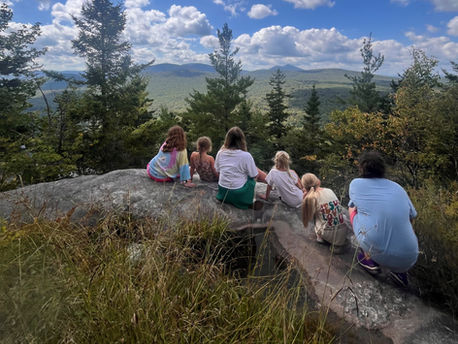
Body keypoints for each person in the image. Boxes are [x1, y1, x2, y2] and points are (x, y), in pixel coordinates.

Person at [348, 151, 418, 287]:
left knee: (352, 209)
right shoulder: (398, 188)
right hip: (409, 257)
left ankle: (368, 259)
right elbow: (412, 217)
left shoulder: (356, 184)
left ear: (362, 168)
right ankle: (399, 272)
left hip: (376, 250)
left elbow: (353, 205)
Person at [215, 127, 265, 209]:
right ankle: (248, 201)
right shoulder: (246, 156)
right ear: (242, 140)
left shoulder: (220, 153)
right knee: (252, 180)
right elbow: (254, 175)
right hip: (238, 194)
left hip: (223, 193)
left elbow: (218, 171)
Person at [301, 173, 348, 250]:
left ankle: (320, 238)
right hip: (343, 231)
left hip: (328, 234)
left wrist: (304, 200)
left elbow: (308, 217)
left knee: (316, 218)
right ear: (318, 182)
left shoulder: (311, 198)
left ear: (304, 188)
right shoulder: (329, 190)